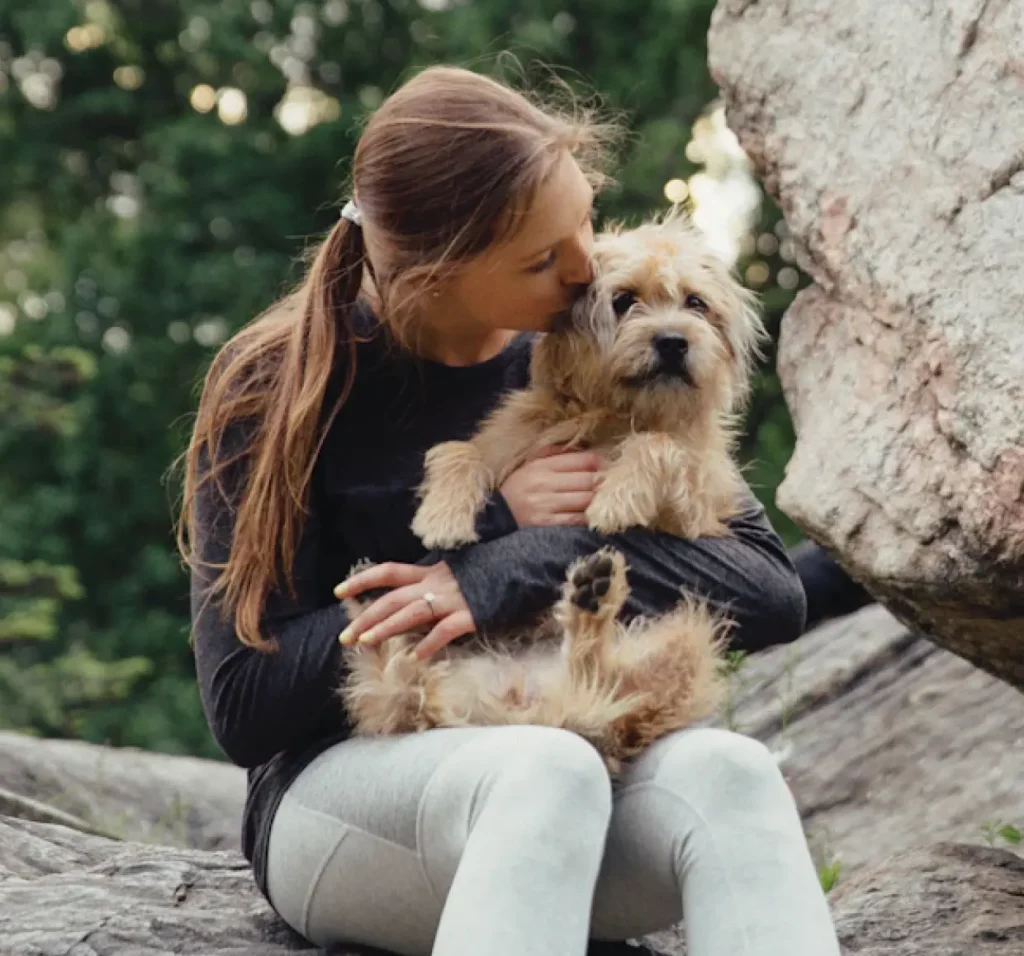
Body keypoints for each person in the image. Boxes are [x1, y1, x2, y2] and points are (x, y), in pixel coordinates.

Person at [178, 64, 842, 956]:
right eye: (541, 259)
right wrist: (483, 535)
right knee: (546, 769)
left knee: (733, 770)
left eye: (584, 222)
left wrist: (522, 559)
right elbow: (243, 706)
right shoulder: (279, 386)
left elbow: (768, 591)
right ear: (436, 274)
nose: (583, 269)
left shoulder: (596, 336)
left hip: (579, 760)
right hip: (346, 802)